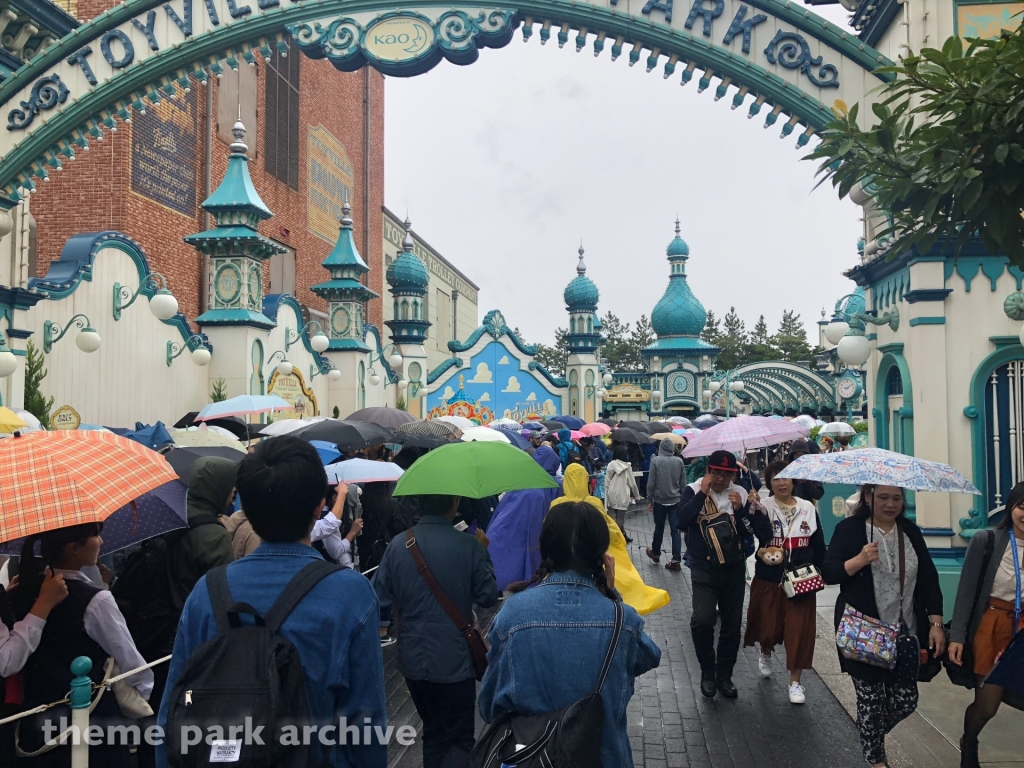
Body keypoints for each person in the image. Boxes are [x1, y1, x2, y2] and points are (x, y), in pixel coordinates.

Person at [157, 435, 387, 767]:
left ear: (245, 508)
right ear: (317, 507)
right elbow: (365, 727)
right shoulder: (350, 595)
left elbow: (171, 717)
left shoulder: (207, 592)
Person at [477, 502, 662, 767]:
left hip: (532, 757)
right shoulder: (623, 619)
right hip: (604, 758)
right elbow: (649, 656)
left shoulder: (512, 614)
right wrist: (612, 595)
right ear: (601, 554)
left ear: (546, 547)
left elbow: (487, 706)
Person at [822, 485, 945, 768]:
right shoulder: (850, 529)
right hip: (863, 631)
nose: (891, 504)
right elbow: (828, 572)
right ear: (868, 497)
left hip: (905, 633)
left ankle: (869, 737)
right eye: (883, 498)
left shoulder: (909, 531)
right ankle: (876, 760)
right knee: (871, 699)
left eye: (897, 498)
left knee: (906, 701)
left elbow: (928, 578)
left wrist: (936, 621)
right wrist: (859, 560)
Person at [374, 494, 498, 768]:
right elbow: (488, 595)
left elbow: (379, 597)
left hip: (412, 659)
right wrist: (483, 552)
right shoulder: (468, 545)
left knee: (432, 733)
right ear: (453, 503)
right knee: (460, 738)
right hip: (454, 659)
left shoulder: (398, 545)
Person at [15, 524, 153, 767]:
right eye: (94, 535)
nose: (100, 541)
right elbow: (133, 665)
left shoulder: (22, 589)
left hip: (35, 721)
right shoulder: (96, 600)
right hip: (92, 723)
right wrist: (140, 703)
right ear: (73, 549)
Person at [949, 481, 1024, 768]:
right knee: (987, 705)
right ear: (1011, 508)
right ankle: (970, 740)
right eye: (1021, 507)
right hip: (992, 626)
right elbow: (966, 591)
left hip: (1022, 628)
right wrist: (957, 635)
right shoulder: (987, 540)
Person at [743, 461, 826, 704]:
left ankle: (796, 682)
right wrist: (755, 509)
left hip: (801, 580)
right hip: (770, 578)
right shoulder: (763, 505)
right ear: (769, 482)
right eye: (775, 478)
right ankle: (765, 651)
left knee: (799, 630)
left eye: (786, 478)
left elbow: (817, 542)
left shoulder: (807, 508)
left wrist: (821, 571)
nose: (781, 482)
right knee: (768, 626)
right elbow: (763, 536)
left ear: (794, 481)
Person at [675, 450, 753, 698]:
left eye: (726, 474)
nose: (720, 478)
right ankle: (707, 672)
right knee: (702, 619)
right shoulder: (692, 489)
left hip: (733, 568)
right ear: (708, 471)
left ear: (733, 474)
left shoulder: (740, 494)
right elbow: (681, 520)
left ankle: (724, 676)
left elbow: (749, 531)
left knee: (731, 625)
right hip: (703, 567)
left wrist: (741, 510)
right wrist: (702, 494)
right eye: (715, 473)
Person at [554, 464, 669, 616]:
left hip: (564, 559)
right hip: (591, 557)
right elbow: (609, 528)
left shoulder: (556, 504)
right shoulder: (593, 502)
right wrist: (620, 539)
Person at [486, 446, 563, 590]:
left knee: (516, 565)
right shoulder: (556, 485)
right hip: (542, 535)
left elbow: (501, 511)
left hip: (514, 532)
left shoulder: (522, 481)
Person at [168, 456, 236, 611]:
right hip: (194, 617)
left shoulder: (171, 513)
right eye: (231, 486)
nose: (233, 492)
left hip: (158, 617)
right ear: (218, 487)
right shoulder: (215, 535)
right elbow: (222, 594)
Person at [645, 437, 687, 571]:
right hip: (675, 500)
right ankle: (676, 560)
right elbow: (683, 483)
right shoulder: (679, 461)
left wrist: (649, 499)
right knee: (676, 531)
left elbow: (651, 483)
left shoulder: (655, 461)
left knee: (659, 528)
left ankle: (656, 553)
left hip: (659, 501)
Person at [605, 445, 640, 544]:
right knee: (620, 517)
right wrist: (637, 496)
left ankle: (623, 535)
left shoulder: (611, 465)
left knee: (617, 515)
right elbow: (632, 483)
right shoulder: (627, 467)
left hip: (612, 493)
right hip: (623, 494)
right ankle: (612, 537)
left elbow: (607, 482)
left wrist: (607, 499)